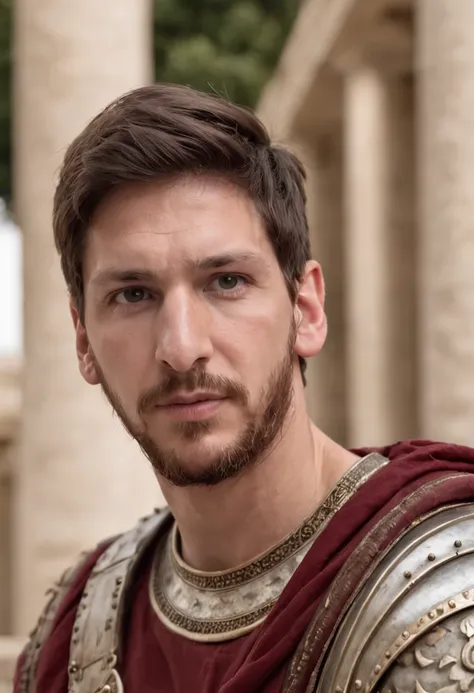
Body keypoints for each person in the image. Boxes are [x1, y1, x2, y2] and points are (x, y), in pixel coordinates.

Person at [14, 83, 474, 693]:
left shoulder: (445, 601)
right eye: (133, 295)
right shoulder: (73, 631)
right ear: (83, 340)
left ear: (306, 308)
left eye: (226, 282)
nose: (181, 346)